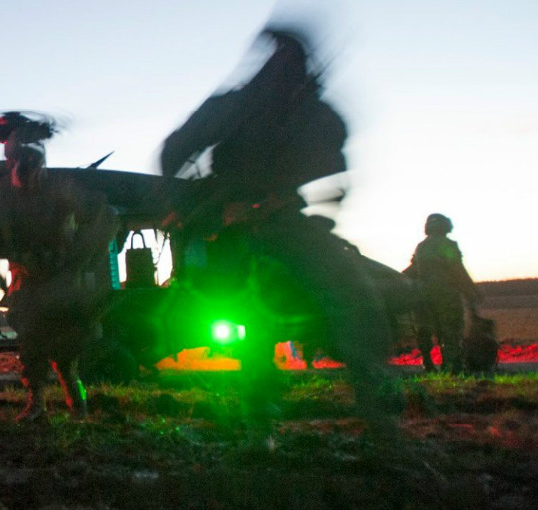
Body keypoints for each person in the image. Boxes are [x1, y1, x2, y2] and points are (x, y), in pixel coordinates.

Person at [157, 28, 402, 431]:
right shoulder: (234, 108)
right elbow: (175, 149)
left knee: (356, 301)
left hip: (288, 223)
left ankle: (381, 415)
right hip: (229, 227)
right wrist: (187, 206)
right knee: (249, 320)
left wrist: (309, 219)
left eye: (294, 60)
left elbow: (332, 181)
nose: (285, 70)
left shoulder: (319, 117)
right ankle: (258, 420)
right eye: (279, 60)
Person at [0, 128, 114, 422]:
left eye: (34, 164)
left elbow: (105, 216)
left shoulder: (62, 188)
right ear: (11, 163)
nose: (29, 173)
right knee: (31, 346)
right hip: (26, 279)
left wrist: (82, 259)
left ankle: (76, 403)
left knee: (66, 349)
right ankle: (37, 404)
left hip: (62, 278)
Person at [406, 213, 481, 372]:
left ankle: (428, 362)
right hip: (446, 295)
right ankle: (452, 366)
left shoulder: (421, 247)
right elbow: (458, 270)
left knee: (424, 329)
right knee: (451, 330)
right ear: (445, 226)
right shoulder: (447, 245)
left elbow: (412, 270)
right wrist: (471, 291)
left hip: (423, 295)